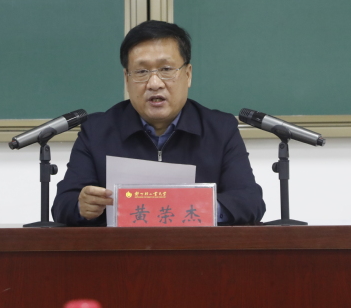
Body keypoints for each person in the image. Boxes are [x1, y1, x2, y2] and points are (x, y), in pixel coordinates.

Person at [52, 20, 265, 226]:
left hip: (195, 248)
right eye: (141, 72)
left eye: (166, 69)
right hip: (121, 250)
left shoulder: (220, 129)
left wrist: (196, 208)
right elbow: (63, 205)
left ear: (188, 74)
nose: (155, 83)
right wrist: (82, 206)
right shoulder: (96, 131)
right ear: (126, 79)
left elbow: (250, 201)